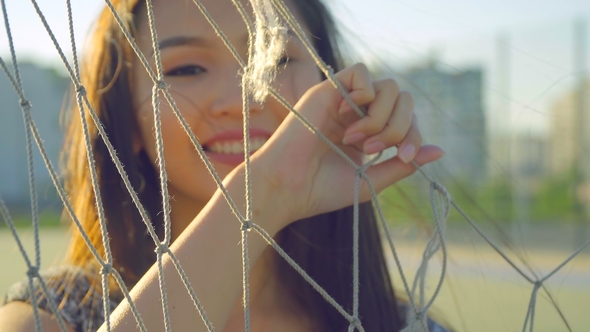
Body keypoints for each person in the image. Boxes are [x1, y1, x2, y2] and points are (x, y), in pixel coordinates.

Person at [0, 0, 446, 331]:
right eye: (187, 69)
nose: (244, 99)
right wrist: (260, 197)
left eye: (278, 59)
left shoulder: (406, 323)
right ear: (126, 119)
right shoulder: (52, 317)